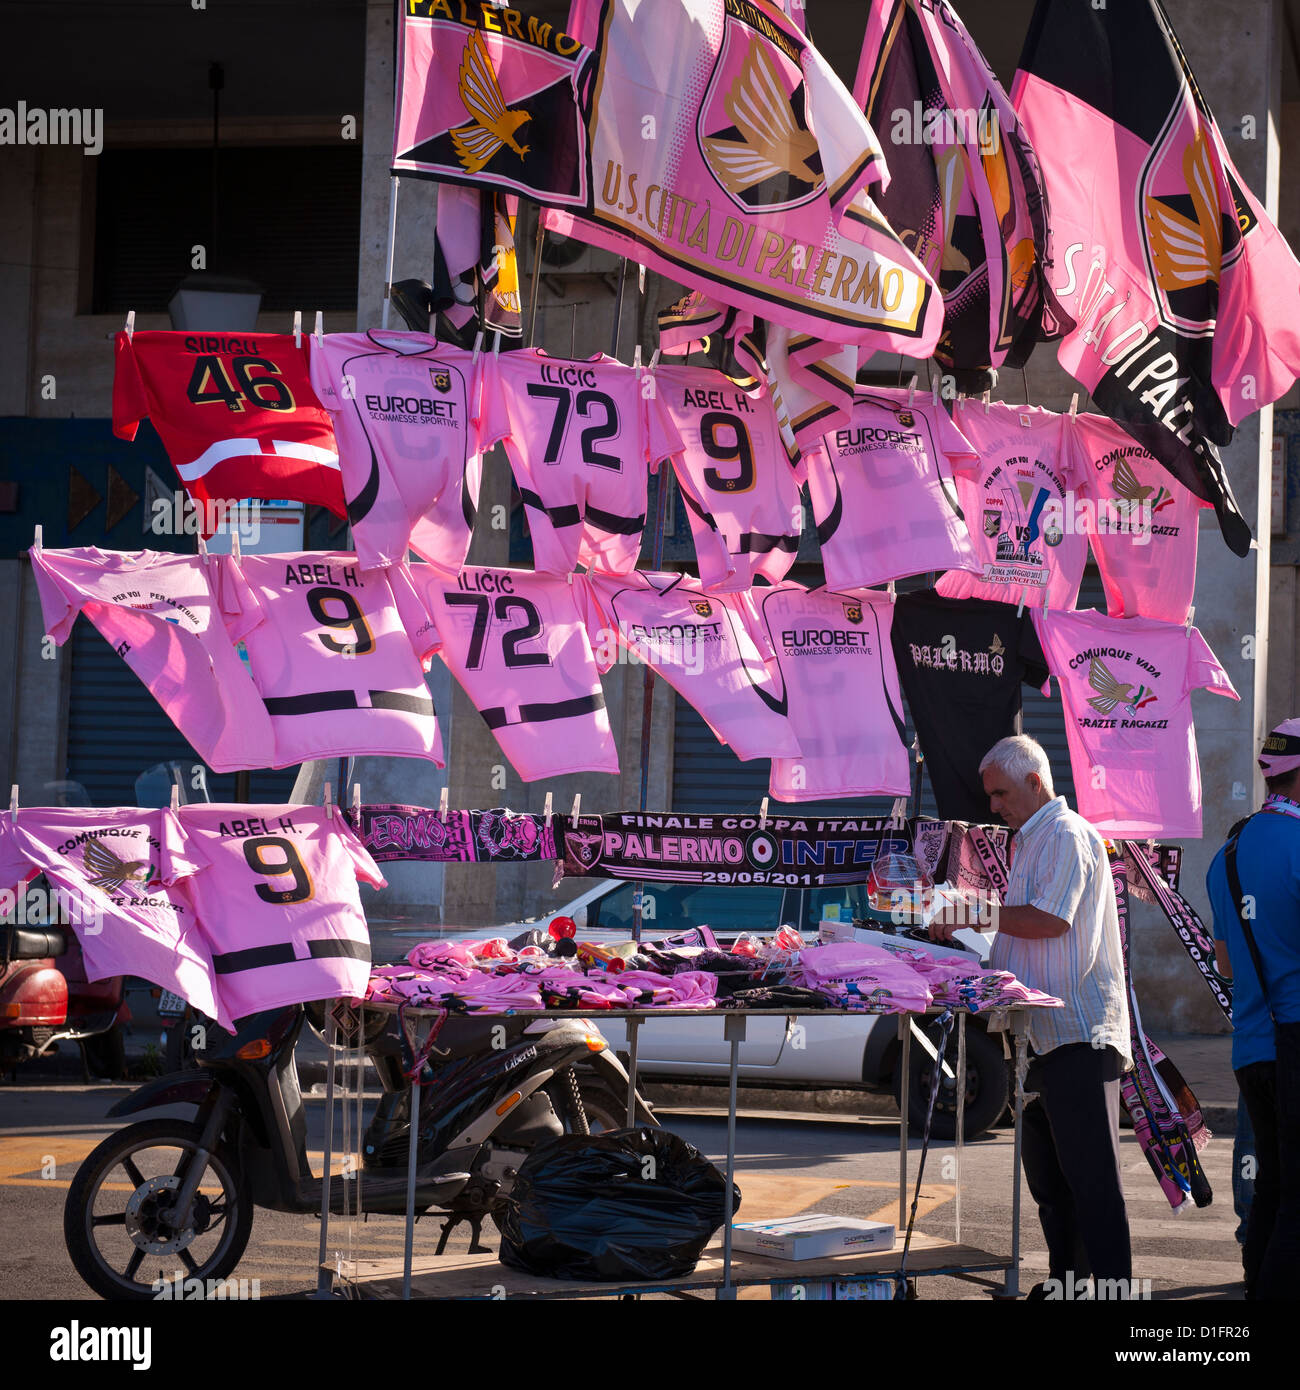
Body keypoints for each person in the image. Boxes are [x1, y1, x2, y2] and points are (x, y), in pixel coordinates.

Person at [930, 734, 1132, 1299]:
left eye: (999, 793)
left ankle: (1111, 1293)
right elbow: (1022, 937)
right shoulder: (1033, 841)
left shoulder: (1066, 835)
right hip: (1036, 1038)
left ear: (1034, 782)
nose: (992, 806)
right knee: (1051, 1183)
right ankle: (1068, 1285)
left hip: (1077, 1035)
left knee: (1092, 1183)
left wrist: (973, 909)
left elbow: (1050, 922)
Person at [1205, 719, 1300, 1300]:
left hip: (1251, 1050)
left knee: (1271, 1184)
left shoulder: (1229, 852)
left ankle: (1254, 1283)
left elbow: (1227, 965)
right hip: (1294, 1042)